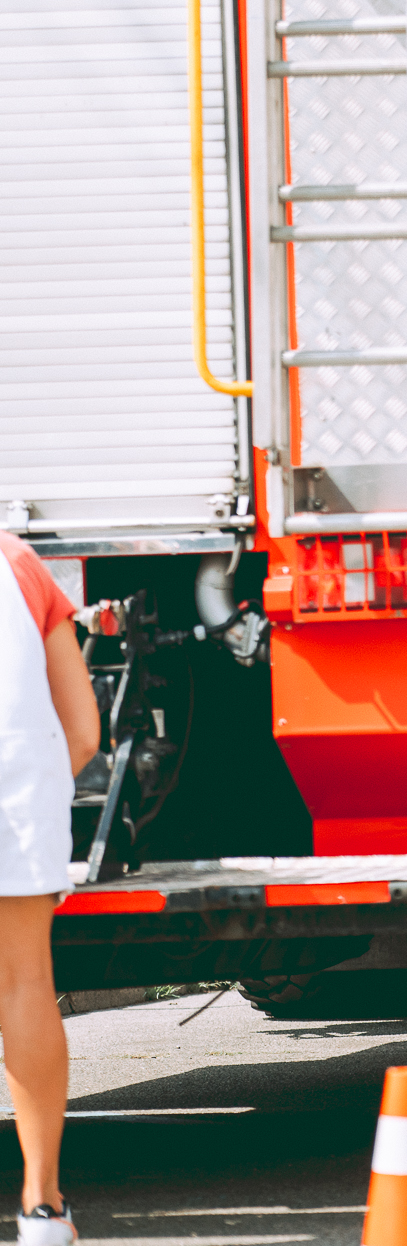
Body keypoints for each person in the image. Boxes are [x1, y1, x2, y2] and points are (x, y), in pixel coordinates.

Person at [0, 531, 101, 1246]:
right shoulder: (18, 564)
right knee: (25, 982)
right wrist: (37, 796)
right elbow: (85, 731)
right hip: (15, 802)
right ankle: (42, 1205)